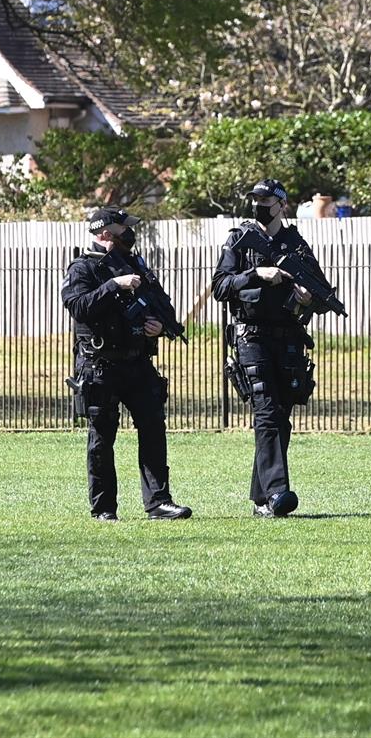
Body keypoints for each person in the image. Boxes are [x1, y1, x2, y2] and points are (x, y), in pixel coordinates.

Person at [212, 178, 346, 518]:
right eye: (255, 199)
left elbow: (317, 291)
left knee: (280, 418)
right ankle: (277, 493)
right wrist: (257, 274)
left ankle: (261, 499)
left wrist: (308, 299)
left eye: (266, 200)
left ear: (281, 205)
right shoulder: (239, 239)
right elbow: (220, 286)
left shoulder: (295, 244)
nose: (258, 204)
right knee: (267, 413)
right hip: (251, 336)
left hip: (287, 338)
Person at [61, 207, 191, 522]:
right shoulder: (83, 268)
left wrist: (159, 325)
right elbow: (78, 306)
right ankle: (104, 508)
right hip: (100, 366)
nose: (129, 234)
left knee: (153, 429)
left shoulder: (135, 265)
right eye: (123, 229)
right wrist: (114, 285)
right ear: (105, 231)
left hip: (138, 363)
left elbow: (164, 306)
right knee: (102, 437)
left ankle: (159, 502)